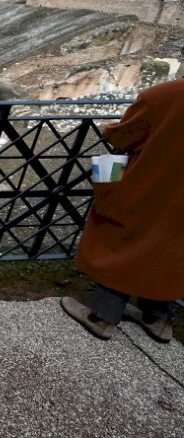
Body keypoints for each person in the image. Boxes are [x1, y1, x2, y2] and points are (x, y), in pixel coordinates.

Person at [60, 78, 183, 344]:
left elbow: (122, 136)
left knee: (123, 239)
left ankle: (102, 316)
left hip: (148, 185)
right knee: (169, 248)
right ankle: (158, 319)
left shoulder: (165, 94)